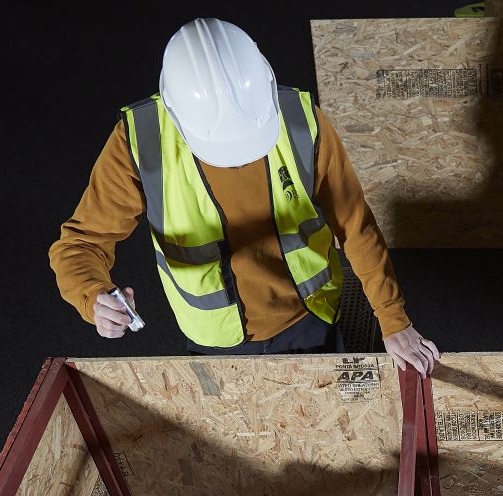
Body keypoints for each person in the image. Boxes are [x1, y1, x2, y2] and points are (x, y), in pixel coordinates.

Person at [49, 18, 439, 374]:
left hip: (309, 319)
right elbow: (82, 243)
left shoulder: (304, 122)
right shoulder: (139, 143)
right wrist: (93, 295)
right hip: (214, 340)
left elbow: (356, 225)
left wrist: (393, 320)